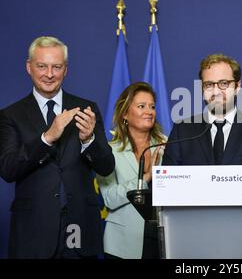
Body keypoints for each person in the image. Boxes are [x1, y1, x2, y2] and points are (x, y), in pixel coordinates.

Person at [0, 36, 115, 258]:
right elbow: (7, 169)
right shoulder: (10, 116)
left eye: (57, 67)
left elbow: (106, 167)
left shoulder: (87, 110)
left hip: (80, 230)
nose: (49, 74)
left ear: (66, 70)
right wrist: (46, 138)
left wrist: (88, 140)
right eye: (42, 66)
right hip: (32, 235)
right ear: (29, 67)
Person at [162, 53, 242, 166]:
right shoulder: (182, 131)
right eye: (209, 85)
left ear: (237, 87)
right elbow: (168, 183)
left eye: (223, 83)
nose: (216, 92)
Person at [97, 82, 166, 259]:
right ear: (125, 114)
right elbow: (109, 199)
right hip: (122, 245)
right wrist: (144, 179)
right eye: (141, 106)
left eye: (152, 106)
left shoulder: (168, 145)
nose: (149, 111)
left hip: (162, 241)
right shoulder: (109, 151)